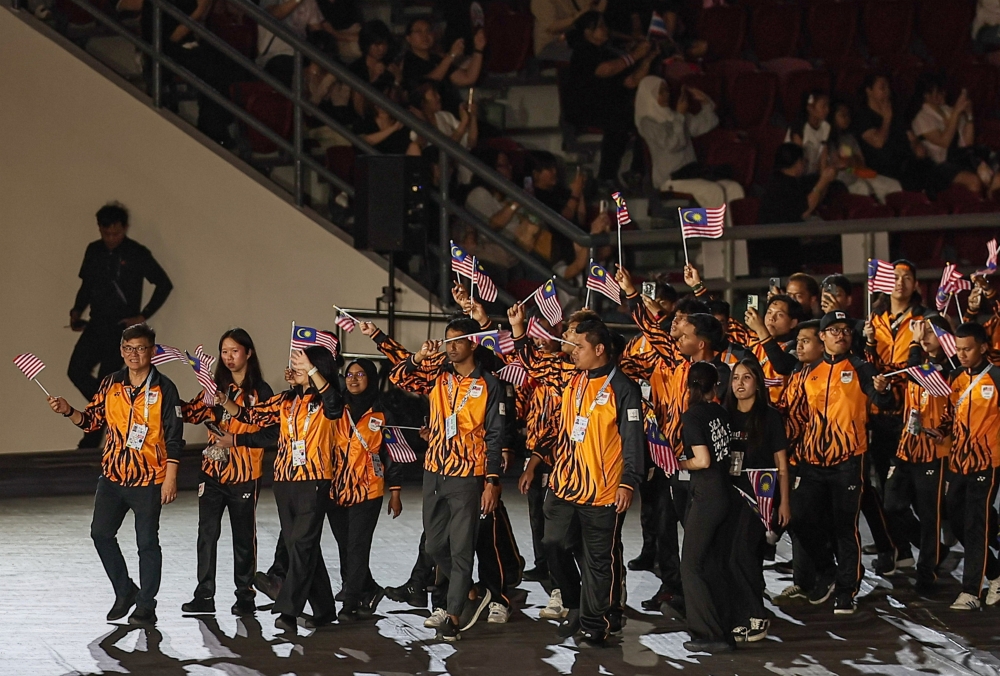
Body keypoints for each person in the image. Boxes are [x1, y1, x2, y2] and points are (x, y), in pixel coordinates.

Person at [510, 306, 644, 646]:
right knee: (553, 543)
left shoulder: (623, 389)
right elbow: (534, 364)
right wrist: (518, 328)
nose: (572, 351)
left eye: (579, 346)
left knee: (598, 559)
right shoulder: (571, 378)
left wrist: (629, 480)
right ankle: (574, 602)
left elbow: (632, 440)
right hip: (564, 485)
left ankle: (594, 623)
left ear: (599, 349)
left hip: (602, 491)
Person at [47, 323, 184, 626]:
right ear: (122, 350)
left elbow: (175, 437)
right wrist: (69, 410)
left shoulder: (165, 389)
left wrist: (170, 478)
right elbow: (92, 421)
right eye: (129, 348)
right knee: (101, 533)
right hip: (112, 476)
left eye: (141, 348)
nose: (134, 354)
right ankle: (125, 591)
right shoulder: (111, 383)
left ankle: (146, 605)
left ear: (152, 351)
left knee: (147, 543)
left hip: (148, 478)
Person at [388, 317, 505, 641]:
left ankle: (453, 617)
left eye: (457, 342)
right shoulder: (437, 376)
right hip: (434, 471)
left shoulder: (489, 386)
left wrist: (492, 481)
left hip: (468, 475)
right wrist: (418, 358)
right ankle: (468, 589)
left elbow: (495, 435)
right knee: (436, 544)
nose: (450, 347)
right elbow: (397, 377)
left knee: (462, 546)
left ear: (472, 344)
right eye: (447, 341)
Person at [217, 346, 344, 631]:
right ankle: (324, 609)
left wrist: (311, 372)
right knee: (301, 547)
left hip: (314, 480)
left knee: (301, 545)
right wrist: (226, 403)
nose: (296, 367)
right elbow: (254, 418)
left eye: (304, 364)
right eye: (296, 364)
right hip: (285, 481)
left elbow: (335, 405)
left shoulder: (327, 400)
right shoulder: (287, 400)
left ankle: (287, 610)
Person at [784, 311, 894, 615]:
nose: (840, 334)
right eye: (833, 330)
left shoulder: (861, 368)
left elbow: (882, 401)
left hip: (848, 460)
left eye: (845, 329)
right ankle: (827, 570)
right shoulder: (807, 371)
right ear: (822, 336)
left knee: (845, 527)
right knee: (799, 518)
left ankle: (846, 590)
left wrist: (882, 391)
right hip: (809, 461)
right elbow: (794, 415)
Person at [179, 328, 274, 616]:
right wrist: (165, 399)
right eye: (224, 351)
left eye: (235, 350)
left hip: (245, 475)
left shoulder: (261, 392)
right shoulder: (214, 387)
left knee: (244, 537)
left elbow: (270, 434)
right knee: (206, 534)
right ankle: (204, 594)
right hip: (212, 471)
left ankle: (245, 594)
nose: (229, 357)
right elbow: (191, 413)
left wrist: (238, 440)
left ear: (249, 353)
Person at [68, 203, 173, 449]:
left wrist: (143, 315)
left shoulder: (136, 252)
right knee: (75, 370)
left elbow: (164, 284)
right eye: (106, 234)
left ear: (124, 228)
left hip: (121, 329)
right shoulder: (94, 251)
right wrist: (76, 310)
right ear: (99, 229)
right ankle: (110, 409)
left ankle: (91, 440)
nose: (111, 239)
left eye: (116, 233)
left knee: (106, 380)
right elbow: (86, 286)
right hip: (96, 323)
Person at [328, 358, 405, 622]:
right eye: (349, 375)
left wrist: (394, 491)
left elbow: (393, 453)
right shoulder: (337, 409)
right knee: (345, 545)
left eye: (360, 374)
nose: (354, 379)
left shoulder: (383, 413)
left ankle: (350, 601)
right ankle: (368, 588)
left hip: (368, 490)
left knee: (358, 546)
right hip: (337, 488)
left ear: (370, 378)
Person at [882, 317, 953, 593]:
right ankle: (936, 551)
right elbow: (897, 385)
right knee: (892, 504)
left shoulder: (949, 368)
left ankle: (926, 575)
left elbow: (919, 371)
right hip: (907, 447)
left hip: (935, 450)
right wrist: (882, 388)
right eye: (920, 331)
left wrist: (912, 342)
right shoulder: (917, 365)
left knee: (929, 515)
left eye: (930, 332)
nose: (923, 336)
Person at [724, 359, 790, 643]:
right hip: (729, 496)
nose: (739, 383)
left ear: (757, 382)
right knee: (733, 557)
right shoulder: (724, 415)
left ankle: (757, 615)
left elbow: (782, 465)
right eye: (735, 377)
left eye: (746, 377)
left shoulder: (769, 417)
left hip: (759, 499)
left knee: (744, 555)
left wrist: (784, 503)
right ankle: (743, 614)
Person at [677, 361, 736, 654]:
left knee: (691, 564)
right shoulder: (721, 413)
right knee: (715, 563)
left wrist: (676, 463)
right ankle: (724, 629)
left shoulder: (692, 416)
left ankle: (706, 632)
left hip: (707, 494)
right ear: (716, 386)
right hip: (726, 493)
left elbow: (702, 460)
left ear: (689, 386)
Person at [943, 322, 1000, 610]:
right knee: (955, 518)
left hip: (988, 463)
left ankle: (971, 592)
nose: (962, 354)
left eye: (967, 349)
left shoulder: (997, 378)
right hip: (958, 462)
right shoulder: (956, 378)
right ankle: (996, 573)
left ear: (983, 347)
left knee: (975, 524)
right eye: (958, 349)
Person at [564, 12, 658, 184]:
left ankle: (636, 171)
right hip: (586, 108)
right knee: (618, 121)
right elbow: (603, 70)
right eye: (599, 26)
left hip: (611, 105)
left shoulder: (609, 51)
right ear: (588, 32)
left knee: (646, 120)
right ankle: (606, 176)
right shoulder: (583, 51)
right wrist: (633, 56)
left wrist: (648, 59)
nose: (605, 29)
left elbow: (631, 81)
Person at [635, 76, 745, 211]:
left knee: (733, 188)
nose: (666, 95)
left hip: (691, 174)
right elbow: (673, 145)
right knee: (713, 191)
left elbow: (707, 124)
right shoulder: (648, 123)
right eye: (661, 92)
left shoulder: (675, 116)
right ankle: (713, 231)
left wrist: (705, 102)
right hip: (671, 179)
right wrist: (680, 117)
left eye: (667, 91)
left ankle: (732, 230)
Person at [911, 74, 983, 195]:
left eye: (942, 91)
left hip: (960, 159)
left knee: (991, 176)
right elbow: (944, 142)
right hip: (939, 166)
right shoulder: (922, 118)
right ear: (927, 96)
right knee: (973, 181)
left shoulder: (948, 110)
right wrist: (956, 112)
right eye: (938, 92)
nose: (943, 94)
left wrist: (969, 115)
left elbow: (967, 143)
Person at [401, 18, 485, 114]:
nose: (425, 35)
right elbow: (429, 82)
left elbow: (468, 78)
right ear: (408, 38)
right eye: (418, 31)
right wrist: (451, 55)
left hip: (451, 113)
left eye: (428, 30)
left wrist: (478, 49)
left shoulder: (436, 59)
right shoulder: (408, 61)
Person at [828, 100, 903, 203]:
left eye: (848, 114)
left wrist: (851, 163)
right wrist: (849, 163)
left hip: (857, 173)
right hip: (841, 181)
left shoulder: (848, 138)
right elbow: (839, 165)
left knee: (893, 185)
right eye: (842, 114)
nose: (846, 118)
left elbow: (856, 164)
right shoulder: (827, 140)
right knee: (864, 189)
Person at [414, 81, 478, 184]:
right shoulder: (415, 125)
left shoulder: (445, 116)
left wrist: (473, 116)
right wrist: (464, 122)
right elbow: (445, 149)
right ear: (422, 102)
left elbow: (471, 142)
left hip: (460, 172)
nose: (439, 97)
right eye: (434, 95)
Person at [759, 143, 837, 225]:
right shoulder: (784, 185)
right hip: (780, 234)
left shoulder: (778, 179)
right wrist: (822, 182)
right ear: (798, 163)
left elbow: (816, 199)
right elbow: (804, 211)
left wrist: (824, 170)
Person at [256, 0, 324, 86]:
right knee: (293, 72)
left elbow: (318, 32)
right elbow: (274, 15)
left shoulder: (309, 2)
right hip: (275, 54)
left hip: (299, 53)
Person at [532, 0, 606, 61]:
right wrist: (578, 16)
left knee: (604, 53)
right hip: (549, 45)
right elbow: (552, 27)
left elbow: (595, 12)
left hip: (573, 40)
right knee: (589, 57)